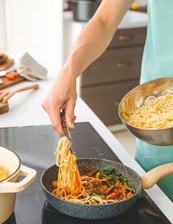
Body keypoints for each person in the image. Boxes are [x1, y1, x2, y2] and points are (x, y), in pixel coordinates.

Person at [42, 0, 173, 202]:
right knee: (158, 209)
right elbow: (104, 19)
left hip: (157, 120)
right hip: (156, 125)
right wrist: (67, 74)